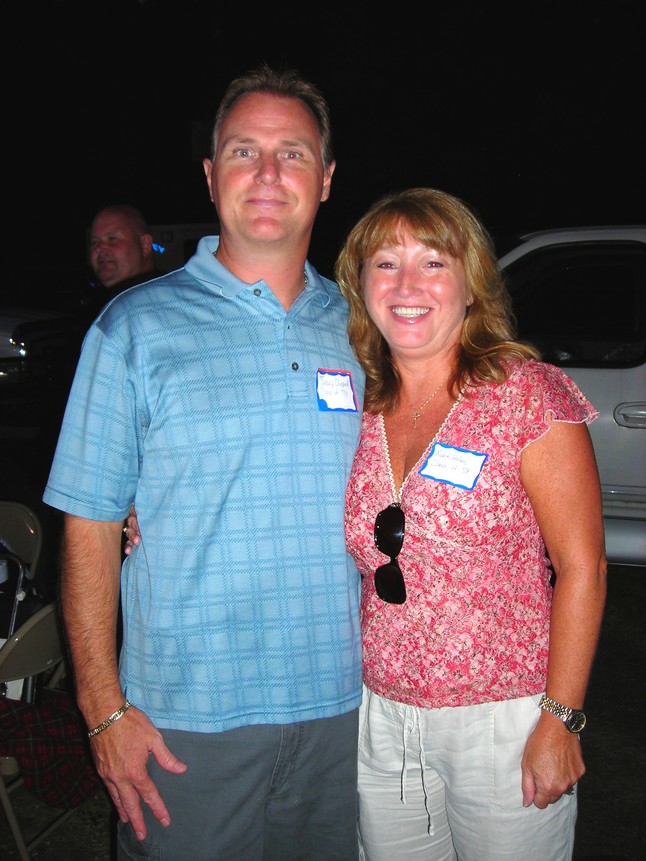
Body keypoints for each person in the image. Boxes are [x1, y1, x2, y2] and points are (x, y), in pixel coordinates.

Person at [43, 65, 365, 861]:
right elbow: (88, 524)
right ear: (212, 174)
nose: (268, 173)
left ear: (326, 179)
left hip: (346, 708)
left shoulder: (365, 327)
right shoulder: (134, 328)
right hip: (187, 722)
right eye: (244, 151)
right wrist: (102, 707)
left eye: (292, 153)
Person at [334, 187, 607, 860]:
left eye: (433, 262)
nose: (406, 285)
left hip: (504, 719)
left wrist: (561, 719)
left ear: (471, 284)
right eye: (386, 263)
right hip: (382, 715)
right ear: (361, 284)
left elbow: (583, 567)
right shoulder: (356, 401)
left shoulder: (523, 394)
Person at [84, 203, 162, 317]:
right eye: (94, 242)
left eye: (112, 239)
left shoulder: (165, 302)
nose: (99, 248)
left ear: (145, 245)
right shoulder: (99, 308)